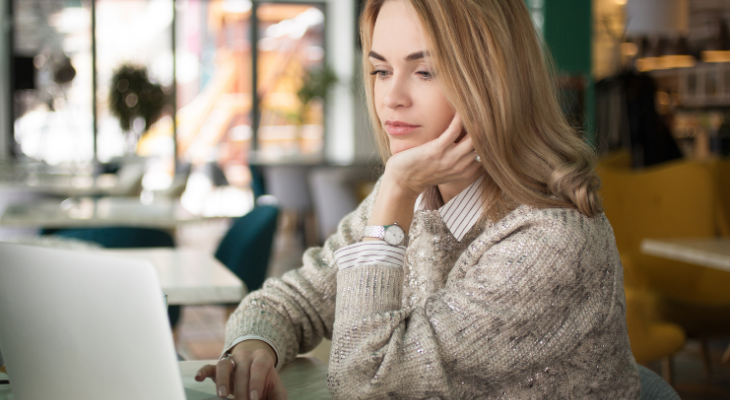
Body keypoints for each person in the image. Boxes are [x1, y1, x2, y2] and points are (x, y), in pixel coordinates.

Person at [196, 0, 641, 398]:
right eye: (381, 70)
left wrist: (394, 191)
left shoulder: (549, 242)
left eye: (425, 70)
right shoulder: (418, 197)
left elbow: (364, 383)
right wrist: (255, 345)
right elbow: (288, 300)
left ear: (493, 81)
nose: (391, 98)